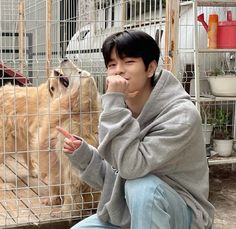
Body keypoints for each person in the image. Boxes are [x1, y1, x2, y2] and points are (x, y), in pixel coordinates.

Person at [57, 30, 215, 229]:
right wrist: (84, 155)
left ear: (150, 68)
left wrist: (113, 103)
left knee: (141, 186)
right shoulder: (120, 109)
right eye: (112, 65)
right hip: (132, 210)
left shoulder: (181, 116)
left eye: (129, 62)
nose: (118, 71)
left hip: (182, 213)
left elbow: (132, 168)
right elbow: (116, 176)